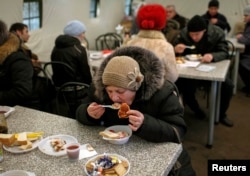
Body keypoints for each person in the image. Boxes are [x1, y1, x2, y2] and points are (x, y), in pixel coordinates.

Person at [76, 46, 196, 176]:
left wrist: (145, 124)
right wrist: (88, 114)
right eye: (109, 91)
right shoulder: (100, 90)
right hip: (114, 155)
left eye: (120, 91)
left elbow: (178, 131)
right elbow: (80, 111)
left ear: (136, 87)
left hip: (154, 156)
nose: (113, 97)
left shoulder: (162, 93)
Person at [174, 15, 234, 127]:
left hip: (211, 69)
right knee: (179, 83)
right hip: (190, 69)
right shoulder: (183, 33)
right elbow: (175, 47)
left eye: (197, 34)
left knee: (228, 85)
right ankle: (195, 109)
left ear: (205, 31)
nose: (194, 38)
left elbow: (224, 51)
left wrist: (213, 55)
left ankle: (221, 114)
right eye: (191, 35)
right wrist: (176, 49)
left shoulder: (217, 32)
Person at [124, 4, 178, 83]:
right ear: (162, 22)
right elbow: (172, 77)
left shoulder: (129, 44)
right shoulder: (166, 47)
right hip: (157, 92)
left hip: (131, 91)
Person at [0, 19, 39, 108]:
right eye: (26, 32)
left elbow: (22, 91)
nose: (29, 35)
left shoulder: (17, 58)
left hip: (23, 109)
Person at [51, 20, 92, 86]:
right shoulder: (79, 49)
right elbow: (86, 74)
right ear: (77, 34)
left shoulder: (56, 47)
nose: (84, 36)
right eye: (83, 33)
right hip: (76, 89)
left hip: (58, 88)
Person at [236, 5, 250, 96]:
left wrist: (240, 37)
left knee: (240, 64)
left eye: (246, 15)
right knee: (238, 59)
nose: (244, 17)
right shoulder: (248, 25)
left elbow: (247, 40)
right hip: (247, 52)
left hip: (249, 55)